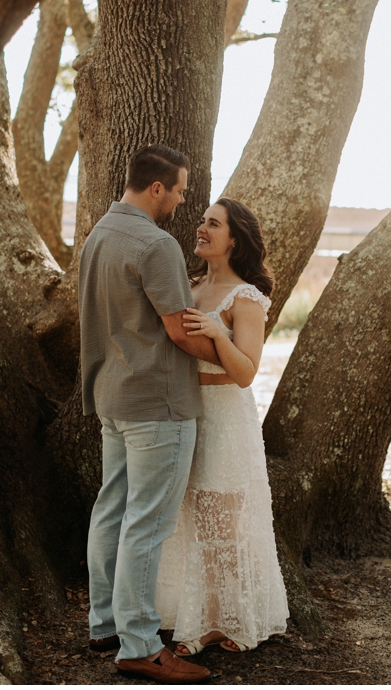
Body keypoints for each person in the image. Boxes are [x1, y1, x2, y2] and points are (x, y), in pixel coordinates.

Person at [79, 144, 221, 684]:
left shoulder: (98, 235)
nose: (183, 200)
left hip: (112, 397)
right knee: (148, 523)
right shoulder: (155, 244)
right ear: (156, 188)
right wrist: (234, 358)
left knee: (112, 509)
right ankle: (138, 645)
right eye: (180, 190)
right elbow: (178, 330)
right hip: (157, 403)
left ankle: (105, 624)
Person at [156, 198, 289, 655]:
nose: (201, 228)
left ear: (235, 239)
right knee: (184, 514)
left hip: (226, 417)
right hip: (182, 411)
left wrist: (215, 334)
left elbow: (246, 372)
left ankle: (218, 620)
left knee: (222, 524)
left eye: (213, 223)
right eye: (201, 221)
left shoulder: (246, 297)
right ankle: (182, 611)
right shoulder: (188, 286)